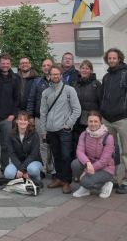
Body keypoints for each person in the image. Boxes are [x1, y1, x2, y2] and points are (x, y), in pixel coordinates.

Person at [40, 64, 81, 194]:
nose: (55, 76)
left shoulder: (69, 90)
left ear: (61, 75)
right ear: (49, 76)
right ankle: (59, 178)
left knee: (66, 156)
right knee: (56, 156)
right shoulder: (46, 92)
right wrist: (44, 129)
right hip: (51, 130)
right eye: (53, 74)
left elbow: (77, 110)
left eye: (57, 74)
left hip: (64, 130)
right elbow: (43, 113)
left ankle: (67, 182)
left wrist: (68, 124)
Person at [100, 48, 127, 194]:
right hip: (107, 119)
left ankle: (124, 181)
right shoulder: (106, 77)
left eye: (114, 58)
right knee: (111, 151)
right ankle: (115, 179)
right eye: (109, 58)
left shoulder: (125, 73)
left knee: (126, 151)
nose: (111, 60)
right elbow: (103, 96)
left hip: (122, 119)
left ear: (119, 58)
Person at [71, 111, 115, 198]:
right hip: (90, 165)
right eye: (90, 121)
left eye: (96, 121)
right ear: (87, 122)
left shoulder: (108, 137)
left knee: (85, 181)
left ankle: (106, 185)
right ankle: (86, 188)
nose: (93, 124)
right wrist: (87, 163)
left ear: (100, 122)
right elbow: (79, 151)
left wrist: (86, 171)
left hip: (105, 169)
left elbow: (104, 161)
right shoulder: (84, 134)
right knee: (75, 164)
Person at [27, 58, 54, 174]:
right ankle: (45, 168)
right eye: (44, 65)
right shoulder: (37, 82)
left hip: (55, 119)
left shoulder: (58, 80)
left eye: (48, 65)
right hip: (39, 118)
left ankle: (54, 171)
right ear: (42, 68)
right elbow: (31, 99)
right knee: (42, 144)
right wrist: (30, 116)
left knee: (54, 144)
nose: (46, 67)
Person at [0, 53, 20, 175]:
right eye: (3, 63)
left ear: (10, 64)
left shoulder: (15, 78)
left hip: (7, 118)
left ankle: (5, 169)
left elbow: (17, 99)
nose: (5, 65)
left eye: (7, 63)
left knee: (5, 146)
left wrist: (13, 114)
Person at [4, 111, 43, 183]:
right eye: (20, 119)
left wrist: (22, 169)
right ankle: (22, 179)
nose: (22, 122)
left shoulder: (34, 134)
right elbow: (12, 154)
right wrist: (20, 168)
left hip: (33, 162)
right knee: (8, 173)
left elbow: (34, 154)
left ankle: (37, 180)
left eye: (25, 120)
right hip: (17, 162)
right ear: (16, 121)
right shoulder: (11, 135)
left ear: (28, 122)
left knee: (32, 169)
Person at [73, 60, 101, 150]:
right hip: (77, 120)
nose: (84, 70)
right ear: (79, 70)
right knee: (78, 144)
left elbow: (101, 101)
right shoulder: (75, 84)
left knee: (90, 145)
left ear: (91, 71)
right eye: (82, 68)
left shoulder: (96, 84)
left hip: (90, 120)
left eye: (87, 68)